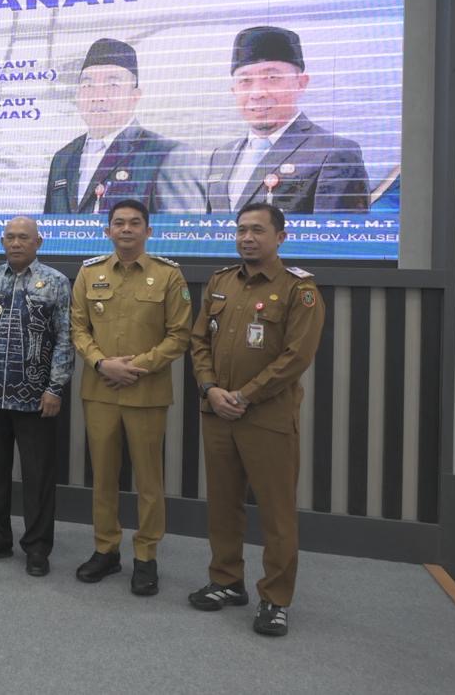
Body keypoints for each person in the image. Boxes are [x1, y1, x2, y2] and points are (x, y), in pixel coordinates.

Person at [189, 202, 325, 637]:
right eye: (241, 230)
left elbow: (296, 357)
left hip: (267, 417)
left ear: (280, 237)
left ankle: (276, 598)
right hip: (218, 412)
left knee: (276, 512)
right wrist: (210, 388)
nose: (247, 238)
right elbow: (199, 342)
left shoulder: (299, 290)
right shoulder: (221, 281)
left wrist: (245, 395)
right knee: (222, 504)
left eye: (258, 231)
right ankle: (226, 581)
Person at [70, 198, 191, 595]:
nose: (126, 229)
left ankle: (145, 556)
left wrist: (135, 366)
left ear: (148, 231)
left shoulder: (169, 275)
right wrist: (102, 364)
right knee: (103, 476)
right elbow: (78, 328)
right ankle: (106, 549)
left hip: (146, 391)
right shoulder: (89, 273)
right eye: (118, 223)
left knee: (149, 480)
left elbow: (179, 335)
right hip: (100, 390)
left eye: (134, 223)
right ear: (107, 230)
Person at [0, 216, 73, 577]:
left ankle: (37, 547)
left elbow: (66, 338)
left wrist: (55, 387)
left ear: (38, 242)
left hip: (36, 399)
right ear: (2, 242)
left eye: (24, 237)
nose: (16, 243)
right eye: (10, 237)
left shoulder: (56, 282)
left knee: (38, 477)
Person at [204, 26, 369, 214]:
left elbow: (336, 231)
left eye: (272, 77)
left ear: (301, 83)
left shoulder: (334, 153)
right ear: (234, 90)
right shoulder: (221, 156)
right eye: (245, 81)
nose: (257, 93)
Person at [44, 38, 204, 214]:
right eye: (88, 85)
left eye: (112, 85)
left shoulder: (168, 156)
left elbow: (180, 230)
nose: (98, 96)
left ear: (134, 96)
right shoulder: (63, 158)